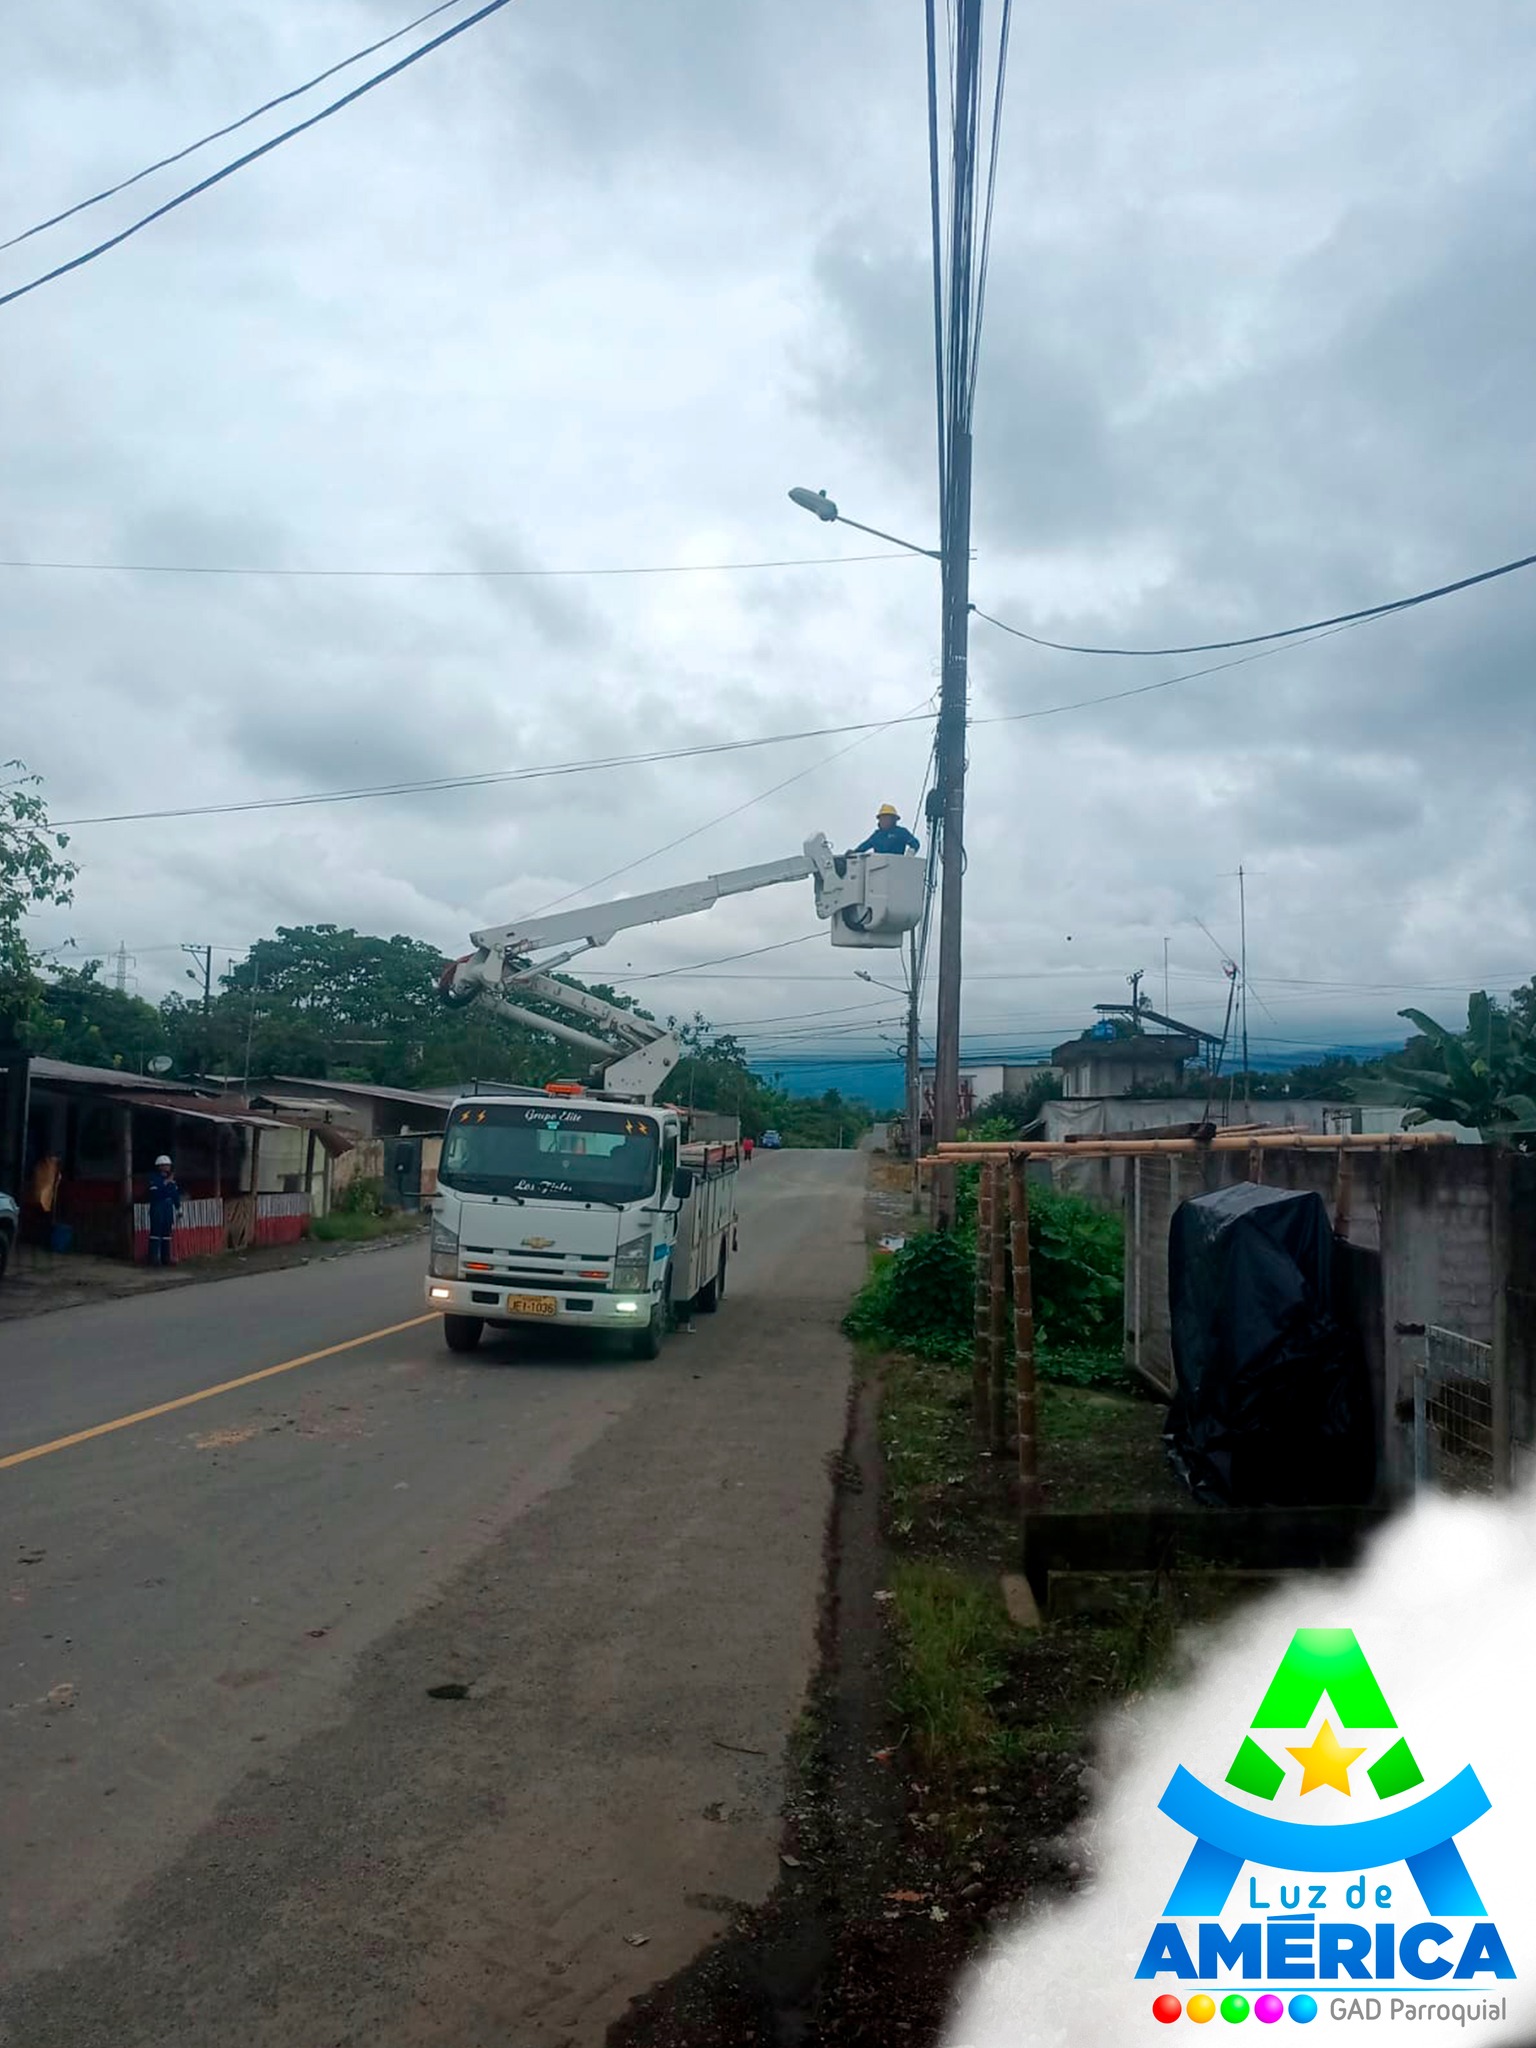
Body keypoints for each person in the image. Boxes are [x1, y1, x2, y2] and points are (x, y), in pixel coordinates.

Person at [146, 1153, 182, 1266]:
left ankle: (166, 1258)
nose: (168, 1167)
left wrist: (178, 1208)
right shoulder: (154, 1179)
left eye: (169, 1165)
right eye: (166, 1165)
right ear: (160, 1166)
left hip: (168, 1207)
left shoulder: (171, 1181)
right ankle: (153, 1259)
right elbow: (155, 1194)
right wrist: (165, 1183)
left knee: (167, 1233)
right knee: (156, 1233)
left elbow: (175, 1195)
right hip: (158, 1207)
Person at [853, 804, 920, 856]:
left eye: (886, 818)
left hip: (897, 865)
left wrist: (910, 854)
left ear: (893, 819)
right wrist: (853, 853)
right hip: (879, 867)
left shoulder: (901, 832)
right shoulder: (877, 835)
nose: (884, 820)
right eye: (882, 818)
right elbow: (863, 847)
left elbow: (915, 843)